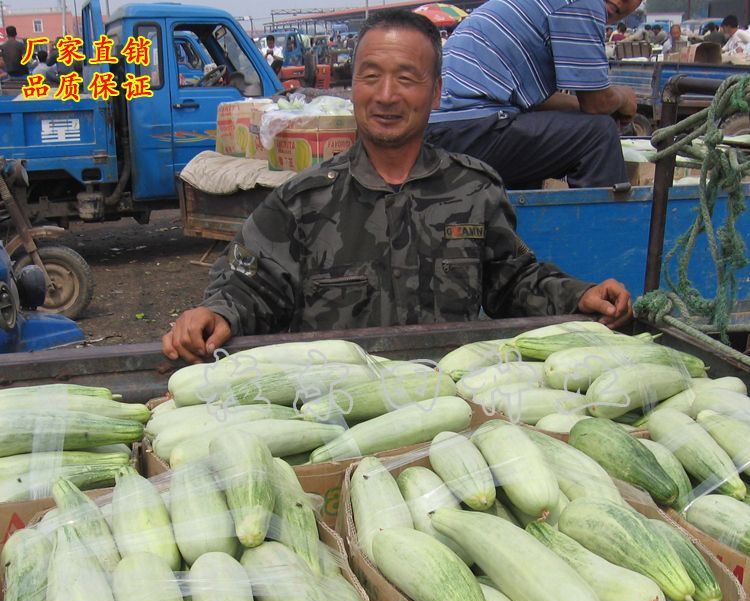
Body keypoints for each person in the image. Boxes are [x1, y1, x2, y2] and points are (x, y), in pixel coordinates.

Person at [162, 9, 632, 363]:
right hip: (339, 414)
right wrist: (217, 313)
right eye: (372, 77)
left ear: (436, 91)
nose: (386, 95)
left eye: (407, 79)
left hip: (445, 412)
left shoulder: (474, 190)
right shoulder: (304, 201)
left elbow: (511, 279)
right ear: (355, 88)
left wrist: (577, 294)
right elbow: (250, 286)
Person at [423, 0, 641, 190]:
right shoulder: (582, 3)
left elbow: (540, 102)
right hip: (466, 128)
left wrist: (579, 107)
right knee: (599, 133)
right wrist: (624, 98)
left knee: (542, 133)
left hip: (441, 129)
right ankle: (603, 233)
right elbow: (597, 103)